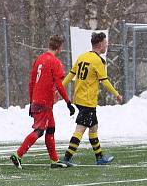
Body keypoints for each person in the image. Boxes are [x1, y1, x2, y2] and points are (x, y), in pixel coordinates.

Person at [10, 34, 75, 170]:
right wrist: (68, 102)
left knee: (50, 129)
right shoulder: (55, 62)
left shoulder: (39, 59)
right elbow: (59, 84)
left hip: (38, 100)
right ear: (59, 47)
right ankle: (18, 154)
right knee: (39, 131)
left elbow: (31, 82)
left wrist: (31, 101)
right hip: (45, 102)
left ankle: (54, 160)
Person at [61, 31, 123, 165]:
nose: (106, 46)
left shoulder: (82, 57)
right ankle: (66, 158)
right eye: (105, 43)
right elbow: (105, 81)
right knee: (81, 128)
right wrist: (116, 94)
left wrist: (59, 88)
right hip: (87, 100)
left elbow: (71, 75)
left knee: (93, 127)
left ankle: (99, 157)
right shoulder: (98, 61)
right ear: (100, 44)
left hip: (79, 98)